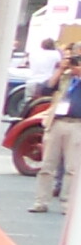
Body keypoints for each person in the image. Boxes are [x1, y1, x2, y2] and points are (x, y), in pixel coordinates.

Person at [31, 44, 81, 213]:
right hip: (57, 121)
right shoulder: (66, 76)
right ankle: (41, 201)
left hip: (77, 123)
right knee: (47, 165)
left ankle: (67, 203)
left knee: (72, 168)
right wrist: (60, 69)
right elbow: (47, 88)